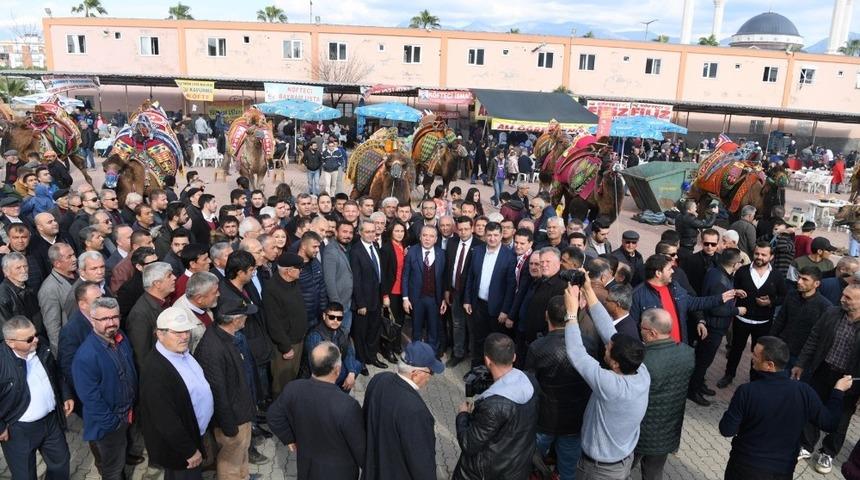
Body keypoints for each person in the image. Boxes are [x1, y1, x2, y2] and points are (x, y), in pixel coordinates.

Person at [720, 336, 850, 479]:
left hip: (744, 468)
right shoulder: (803, 391)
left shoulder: (747, 391)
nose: (752, 358)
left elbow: (727, 429)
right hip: (782, 471)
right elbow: (830, 422)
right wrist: (838, 392)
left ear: (769, 365)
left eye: (756, 355)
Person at [564, 277, 649, 479]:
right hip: (621, 461)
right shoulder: (642, 372)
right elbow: (609, 332)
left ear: (615, 363)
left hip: (599, 469)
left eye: (609, 349)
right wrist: (588, 289)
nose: (606, 345)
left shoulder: (610, 385)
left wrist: (570, 313)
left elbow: (577, 354)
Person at [267, 341, 366, 480]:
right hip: (339, 473)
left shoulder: (293, 388)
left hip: (306, 468)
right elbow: (360, 449)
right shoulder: (348, 406)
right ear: (337, 370)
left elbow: (273, 416)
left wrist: (289, 439)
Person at [139, 307, 214, 480]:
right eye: (177, 332)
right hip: (180, 450)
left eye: (186, 331)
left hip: (195, 434)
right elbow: (166, 420)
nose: (185, 336)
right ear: (160, 334)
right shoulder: (155, 371)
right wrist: (189, 451)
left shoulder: (181, 352)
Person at [794, 284, 860, 474]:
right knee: (813, 408)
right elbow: (813, 338)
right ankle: (806, 445)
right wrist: (801, 363)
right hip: (822, 371)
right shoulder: (832, 313)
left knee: (841, 418)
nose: (842, 299)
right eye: (843, 295)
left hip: (848, 381)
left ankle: (828, 452)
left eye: (848, 298)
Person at [454, 333, 538, 479]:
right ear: (514, 357)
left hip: (489, 472)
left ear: (487, 360)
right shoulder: (531, 381)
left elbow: (468, 443)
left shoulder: (493, 406)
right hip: (518, 466)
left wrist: (463, 415)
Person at [525, 296, 591, 480]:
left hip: (544, 420)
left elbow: (530, 385)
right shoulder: (589, 344)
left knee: (528, 461)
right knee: (569, 469)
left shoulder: (537, 348)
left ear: (546, 316)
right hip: (574, 421)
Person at [0, 316, 74, 480]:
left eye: (35, 334)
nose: (35, 340)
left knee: (61, 463)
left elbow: (56, 372)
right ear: (11, 342)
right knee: (25, 475)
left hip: (51, 422)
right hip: (18, 430)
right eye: (29, 339)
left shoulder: (41, 347)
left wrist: (65, 394)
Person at [72, 297, 137, 480]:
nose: (111, 323)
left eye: (114, 317)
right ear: (92, 320)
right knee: (113, 470)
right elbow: (91, 399)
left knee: (120, 458)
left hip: (126, 414)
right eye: (104, 319)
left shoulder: (121, 337)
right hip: (109, 424)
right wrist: (113, 423)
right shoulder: (86, 356)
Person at [193, 299, 258, 480]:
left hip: (240, 413)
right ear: (235, 320)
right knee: (230, 459)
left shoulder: (223, 336)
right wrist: (229, 426)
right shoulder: (213, 348)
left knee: (241, 451)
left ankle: (243, 476)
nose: (247, 319)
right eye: (244, 315)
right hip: (232, 420)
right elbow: (217, 392)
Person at [362, 341, 442, 480]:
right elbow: (422, 464)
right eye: (430, 372)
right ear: (415, 373)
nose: (430, 377)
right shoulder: (416, 411)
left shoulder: (378, 379)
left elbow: (365, 422)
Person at [635, 309, 695, 479]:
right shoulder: (688, 353)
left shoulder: (642, 359)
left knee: (622, 470)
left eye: (642, 329)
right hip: (668, 431)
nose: (640, 332)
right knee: (654, 473)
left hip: (640, 431)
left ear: (653, 333)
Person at [719, 242, 786, 388]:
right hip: (742, 319)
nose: (759, 257)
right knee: (736, 348)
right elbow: (731, 289)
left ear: (771, 257)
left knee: (760, 353)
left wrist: (770, 302)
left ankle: (755, 379)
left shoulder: (777, 275)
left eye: (763, 255)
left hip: (763, 322)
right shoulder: (742, 271)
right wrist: (736, 292)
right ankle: (729, 375)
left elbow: (783, 296)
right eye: (757, 254)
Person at [630, 254, 733, 345]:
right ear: (658, 273)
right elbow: (632, 329)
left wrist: (720, 298)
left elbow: (693, 302)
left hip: (679, 347)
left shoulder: (674, 286)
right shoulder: (637, 295)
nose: (673, 271)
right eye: (669, 268)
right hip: (656, 353)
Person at [689, 248, 744, 406]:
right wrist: (736, 310)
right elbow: (716, 308)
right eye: (739, 262)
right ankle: (693, 391)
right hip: (714, 327)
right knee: (703, 361)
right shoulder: (719, 280)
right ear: (734, 264)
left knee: (704, 360)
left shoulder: (717, 273)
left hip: (714, 326)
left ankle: (699, 385)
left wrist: (734, 292)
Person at [463, 221, 516, 367]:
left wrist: (505, 310)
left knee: (495, 342)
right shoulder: (477, 251)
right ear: (485, 236)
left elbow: (511, 287)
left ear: (501, 236)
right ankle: (476, 368)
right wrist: (467, 300)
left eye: (496, 235)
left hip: (497, 308)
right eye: (489, 235)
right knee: (478, 338)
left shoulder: (509, 256)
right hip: (478, 304)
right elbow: (470, 278)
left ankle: (493, 372)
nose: (492, 238)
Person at [770, 266, 831, 372]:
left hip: (801, 356)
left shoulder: (825, 307)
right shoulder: (792, 295)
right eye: (799, 277)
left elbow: (819, 337)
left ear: (816, 284)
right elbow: (780, 320)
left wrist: (803, 362)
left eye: (805, 279)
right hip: (781, 348)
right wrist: (770, 341)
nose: (799, 281)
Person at [263, 252, 307, 397]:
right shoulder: (271, 288)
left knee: (292, 379)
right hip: (285, 345)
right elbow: (273, 322)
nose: (301, 271)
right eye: (299, 268)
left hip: (297, 339)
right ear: (288, 271)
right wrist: (285, 347)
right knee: (282, 384)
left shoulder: (293, 282)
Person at [444, 216, 483, 367]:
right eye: (460, 229)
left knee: (472, 327)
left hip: (472, 295)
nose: (463, 232)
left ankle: (474, 358)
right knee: (457, 324)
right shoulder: (452, 242)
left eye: (466, 229)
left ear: (472, 228)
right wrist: (447, 289)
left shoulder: (480, 245)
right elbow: (449, 268)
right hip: (455, 291)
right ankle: (458, 353)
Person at [402, 225, 447, 352]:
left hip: (434, 299)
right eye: (425, 235)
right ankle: (416, 354)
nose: (427, 239)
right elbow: (405, 276)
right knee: (416, 328)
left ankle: (431, 354)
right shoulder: (412, 252)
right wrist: (405, 298)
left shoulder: (441, 254)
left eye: (431, 236)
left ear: (436, 239)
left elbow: (443, 278)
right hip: (417, 299)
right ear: (420, 237)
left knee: (433, 328)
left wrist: (443, 298)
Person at [350, 220, 387, 369]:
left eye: (373, 231)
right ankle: (361, 361)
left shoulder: (376, 247)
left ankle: (372, 357)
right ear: (360, 233)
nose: (371, 234)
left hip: (376, 298)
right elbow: (356, 280)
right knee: (361, 333)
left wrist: (384, 295)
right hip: (363, 301)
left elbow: (380, 273)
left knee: (374, 330)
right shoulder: (356, 251)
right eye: (367, 232)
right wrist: (361, 303)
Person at [323, 221, 354, 333]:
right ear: (336, 232)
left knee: (343, 337)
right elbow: (329, 280)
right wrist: (336, 306)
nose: (348, 235)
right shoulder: (331, 250)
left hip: (348, 302)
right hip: (338, 305)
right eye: (344, 232)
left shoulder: (349, 249)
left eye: (351, 232)